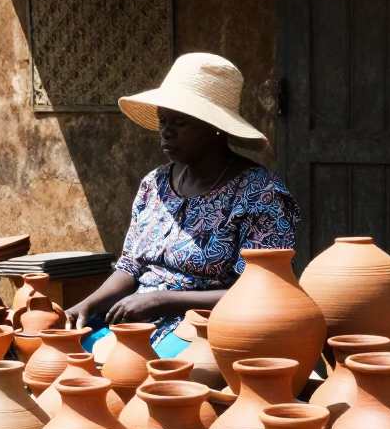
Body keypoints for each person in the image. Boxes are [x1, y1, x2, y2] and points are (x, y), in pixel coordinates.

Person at [65, 53, 300, 355]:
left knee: (147, 376)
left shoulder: (261, 194)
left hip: (205, 328)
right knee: (59, 348)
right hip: (135, 316)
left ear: (215, 127)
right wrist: (87, 305)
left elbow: (264, 292)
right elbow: (130, 266)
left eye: (180, 122)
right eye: (163, 121)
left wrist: (164, 300)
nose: (166, 131)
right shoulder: (155, 183)